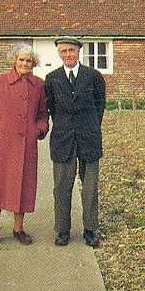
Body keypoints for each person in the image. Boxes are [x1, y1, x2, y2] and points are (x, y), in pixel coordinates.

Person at [0, 44, 49, 247]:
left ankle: (18, 229)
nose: (25, 63)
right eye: (21, 60)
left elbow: (43, 114)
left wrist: (39, 130)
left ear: (33, 63)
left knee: (23, 187)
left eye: (29, 61)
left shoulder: (39, 85)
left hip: (27, 146)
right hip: (0, 146)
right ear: (13, 61)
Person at [44, 36, 106, 247]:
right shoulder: (52, 79)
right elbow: (51, 108)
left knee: (90, 186)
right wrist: (65, 127)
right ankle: (62, 230)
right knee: (61, 186)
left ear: (79, 51)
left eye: (71, 50)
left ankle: (90, 229)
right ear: (59, 54)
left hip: (89, 138)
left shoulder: (94, 76)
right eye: (63, 51)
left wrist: (89, 127)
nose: (68, 55)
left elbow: (100, 106)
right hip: (63, 140)